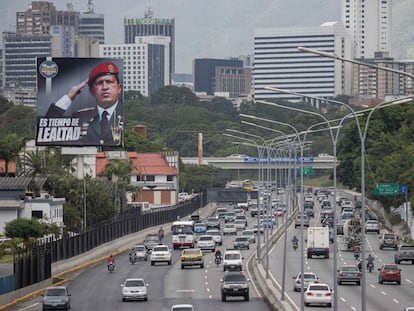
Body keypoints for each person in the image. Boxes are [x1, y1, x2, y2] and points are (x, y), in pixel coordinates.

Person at [46, 61, 123, 146]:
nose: (105, 87)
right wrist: (69, 96)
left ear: (119, 88)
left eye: (109, 82)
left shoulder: (125, 113)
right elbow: (48, 128)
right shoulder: (82, 116)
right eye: (99, 83)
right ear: (91, 91)